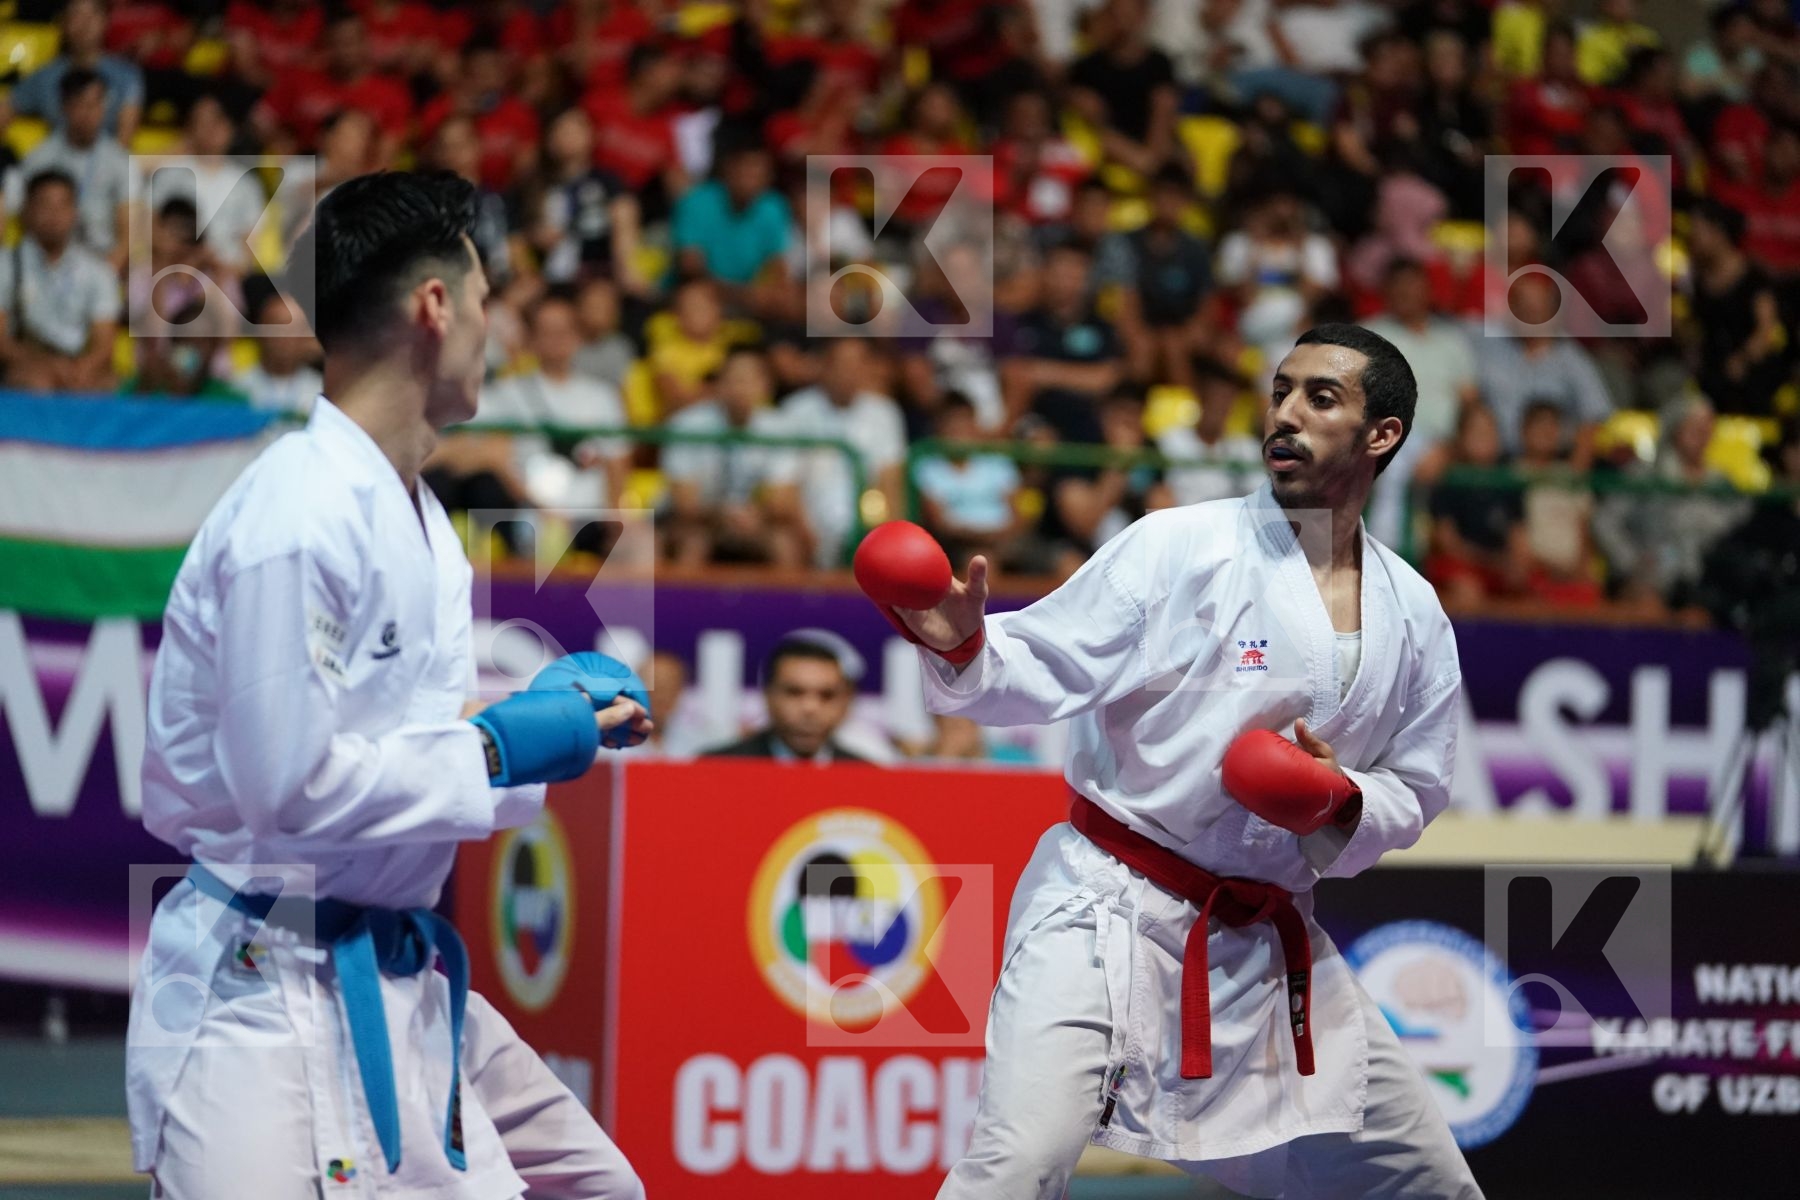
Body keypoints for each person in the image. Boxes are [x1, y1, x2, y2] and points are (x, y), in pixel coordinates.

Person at [126, 171, 651, 1200]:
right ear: (436, 305)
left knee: (601, 1187)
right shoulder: (300, 515)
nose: (495, 331)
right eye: (489, 297)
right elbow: (292, 786)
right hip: (262, 982)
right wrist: (499, 746)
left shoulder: (413, 518)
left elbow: (391, 732)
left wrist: (538, 712)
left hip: (396, 966)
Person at [865, 324, 1476, 1198]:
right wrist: (968, 649)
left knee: (1425, 1181)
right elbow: (1042, 663)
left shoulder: (1413, 611)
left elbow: (1416, 786)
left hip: (1268, 939)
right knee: (1016, 1167)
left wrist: (1339, 801)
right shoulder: (1183, 548)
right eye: (1282, 392)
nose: (1287, 415)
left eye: (1321, 398)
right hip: (1106, 913)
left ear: (1383, 435)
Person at [703, 633, 871, 763]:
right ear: (768, 695)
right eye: (794, 692)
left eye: (826, 695)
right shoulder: (718, 768)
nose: (810, 707)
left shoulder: (868, 776)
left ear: (847, 701)